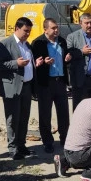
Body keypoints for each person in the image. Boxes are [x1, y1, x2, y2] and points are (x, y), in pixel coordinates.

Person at [0, 17, 44, 160]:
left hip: (26, 86)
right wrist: (16, 63)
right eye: (25, 31)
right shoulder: (5, 44)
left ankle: (21, 145)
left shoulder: (26, 44)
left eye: (29, 31)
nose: (27, 34)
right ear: (17, 28)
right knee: (12, 118)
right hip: (13, 87)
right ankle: (13, 148)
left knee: (24, 117)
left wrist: (35, 63)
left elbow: (28, 63)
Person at [31, 18, 71, 153]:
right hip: (45, 83)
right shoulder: (38, 43)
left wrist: (68, 58)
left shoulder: (62, 41)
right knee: (45, 114)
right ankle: (47, 142)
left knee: (63, 113)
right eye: (53, 28)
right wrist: (43, 62)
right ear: (45, 29)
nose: (56, 30)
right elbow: (33, 62)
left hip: (60, 82)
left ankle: (65, 138)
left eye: (56, 27)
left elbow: (67, 57)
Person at [66, 13, 91, 109]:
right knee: (80, 108)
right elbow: (68, 54)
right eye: (86, 23)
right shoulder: (72, 37)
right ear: (80, 23)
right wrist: (82, 52)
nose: (89, 25)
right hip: (81, 79)